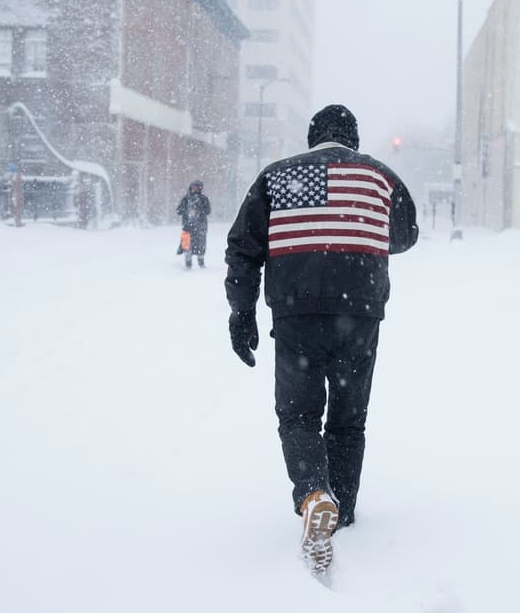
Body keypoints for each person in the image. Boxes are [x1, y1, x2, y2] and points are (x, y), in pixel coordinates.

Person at [224, 104, 418, 574]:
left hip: (297, 313)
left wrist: (241, 312)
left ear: (313, 138)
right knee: (349, 420)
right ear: (352, 138)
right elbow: (406, 235)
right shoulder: (380, 177)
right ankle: (341, 513)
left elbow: (243, 248)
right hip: (360, 312)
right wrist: (357, 229)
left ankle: (314, 493)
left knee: (298, 415)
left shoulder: (275, 177)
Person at [176, 180, 211, 268]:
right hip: (188, 226)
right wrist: (186, 210)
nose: (195, 189)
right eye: (193, 187)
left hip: (201, 225)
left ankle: (201, 261)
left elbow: (208, 210)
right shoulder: (186, 199)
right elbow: (178, 210)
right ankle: (188, 261)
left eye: (197, 187)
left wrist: (199, 210)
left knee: (201, 243)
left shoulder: (204, 198)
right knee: (187, 243)